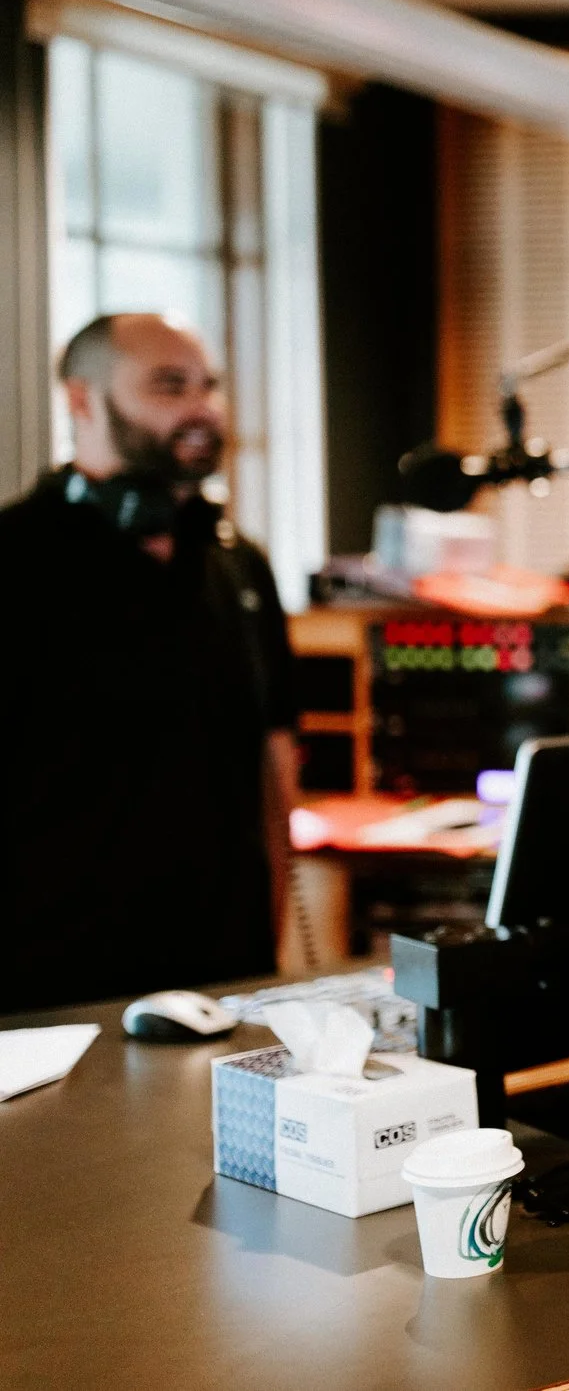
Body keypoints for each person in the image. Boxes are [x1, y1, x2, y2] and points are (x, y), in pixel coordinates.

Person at [0, 315, 299, 1012]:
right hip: (51, 990)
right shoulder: (13, 559)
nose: (202, 408)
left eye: (208, 386)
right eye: (170, 386)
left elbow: (274, 765)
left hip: (225, 981)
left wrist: (268, 958)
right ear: (82, 399)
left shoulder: (238, 564)